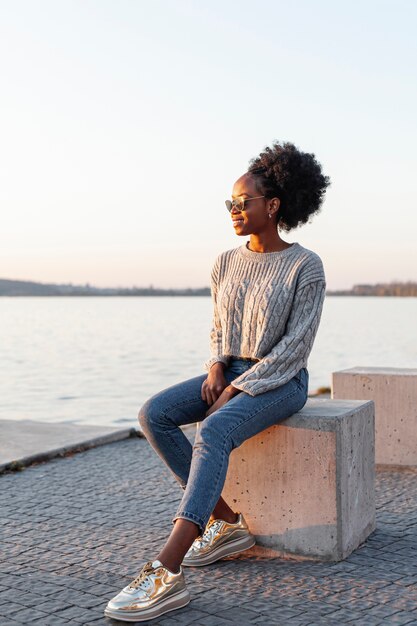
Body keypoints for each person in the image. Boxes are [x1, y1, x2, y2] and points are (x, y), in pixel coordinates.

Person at [105, 141, 330, 622]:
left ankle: (167, 570)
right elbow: (219, 328)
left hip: (281, 380)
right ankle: (225, 524)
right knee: (155, 414)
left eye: (242, 202)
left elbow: (294, 349)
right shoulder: (225, 262)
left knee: (212, 431)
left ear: (272, 206)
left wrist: (235, 388)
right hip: (228, 369)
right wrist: (215, 367)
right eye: (229, 203)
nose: (233, 210)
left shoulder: (305, 265)